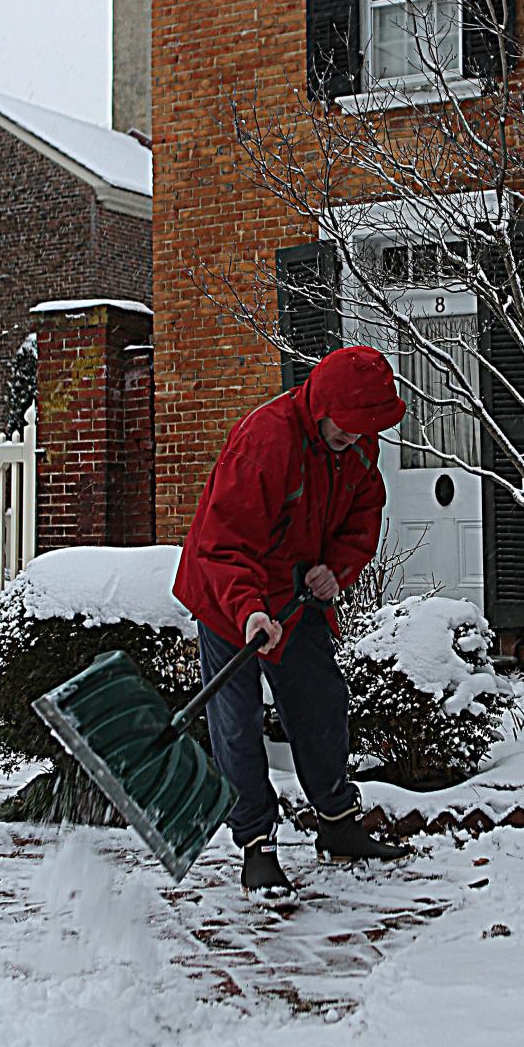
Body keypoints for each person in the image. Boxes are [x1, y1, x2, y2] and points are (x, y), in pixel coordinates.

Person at [173, 344, 410, 898]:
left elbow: (362, 513)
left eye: (363, 429)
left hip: (298, 593)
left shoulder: (355, 445)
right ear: (322, 406)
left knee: (320, 699)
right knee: (237, 721)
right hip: (230, 591)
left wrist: (337, 569)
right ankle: (256, 844)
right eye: (348, 427)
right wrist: (250, 610)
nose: (356, 438)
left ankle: (335, 823)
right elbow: (224, 545)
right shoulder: (265, 442)